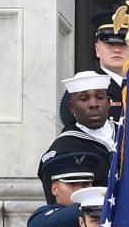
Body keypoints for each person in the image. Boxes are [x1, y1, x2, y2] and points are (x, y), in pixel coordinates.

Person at [59, 11, 129, 145]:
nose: (116, 50)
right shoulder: (84, 87)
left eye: (123, 44)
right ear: (97, 49)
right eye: (110, 44)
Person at [38, 71, 115, 204]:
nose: (93, 104)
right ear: (72, 107)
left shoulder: (128, 136)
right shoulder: (62, 149)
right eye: (84, 99)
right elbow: (58, 207)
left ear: (108, 102)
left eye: (99, 97)